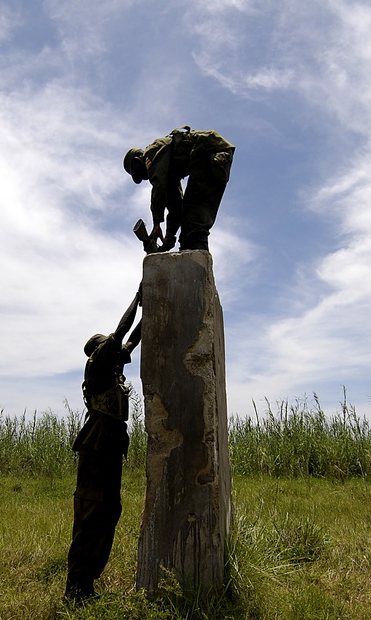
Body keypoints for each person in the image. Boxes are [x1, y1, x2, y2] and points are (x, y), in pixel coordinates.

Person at [64, 289, 142, 602]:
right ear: (100, 352)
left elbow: (133, 338)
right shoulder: (98, 367)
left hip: (110, 445)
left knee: (109, 512)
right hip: (96, 447)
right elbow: (122, 331)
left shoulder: (113, 371)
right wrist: (138, 296)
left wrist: (153, 299)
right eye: (111, 348)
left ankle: (87, 585)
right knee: (92, 513)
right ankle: (76, 587)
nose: (121, 350)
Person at [124, 126, 235, 252]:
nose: (144, 178)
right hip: (208, 159)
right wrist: (169, 237)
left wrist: (156, 223)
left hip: (211, 153)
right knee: (188, 228)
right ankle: (190, 259)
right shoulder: (168, 173)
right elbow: (176, 207)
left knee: (195, 220)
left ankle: (198, 267)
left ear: (138, 161)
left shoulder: (152, 152)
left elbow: (159, 186)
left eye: (138, 173)